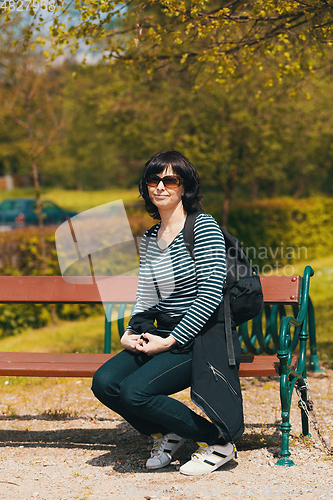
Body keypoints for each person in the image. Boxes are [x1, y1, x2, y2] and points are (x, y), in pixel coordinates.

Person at [92, 150, 243, 475]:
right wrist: (131, 331)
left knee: (135, 392)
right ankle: (169, 431)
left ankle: (219, 441)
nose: (160, 186)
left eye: (169, 179)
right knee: (105, 382)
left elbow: (210, 295)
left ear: (184, 187)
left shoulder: (202, 229)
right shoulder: (151, 237)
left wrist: (171, 340)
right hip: (163, 334)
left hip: (202, 338)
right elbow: (148, 294)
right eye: (153, 179)